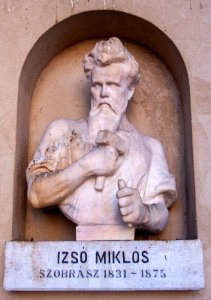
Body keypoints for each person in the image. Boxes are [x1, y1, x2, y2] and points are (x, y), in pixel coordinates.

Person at [26, 37, 176, 240]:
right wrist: (88, 165)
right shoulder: (62, 132)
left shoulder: (150, 148)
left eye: (113, 85)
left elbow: (161, 214)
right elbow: (36, 194)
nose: (104, 93)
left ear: (129, 90)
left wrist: (143, 214)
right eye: (97, 85)